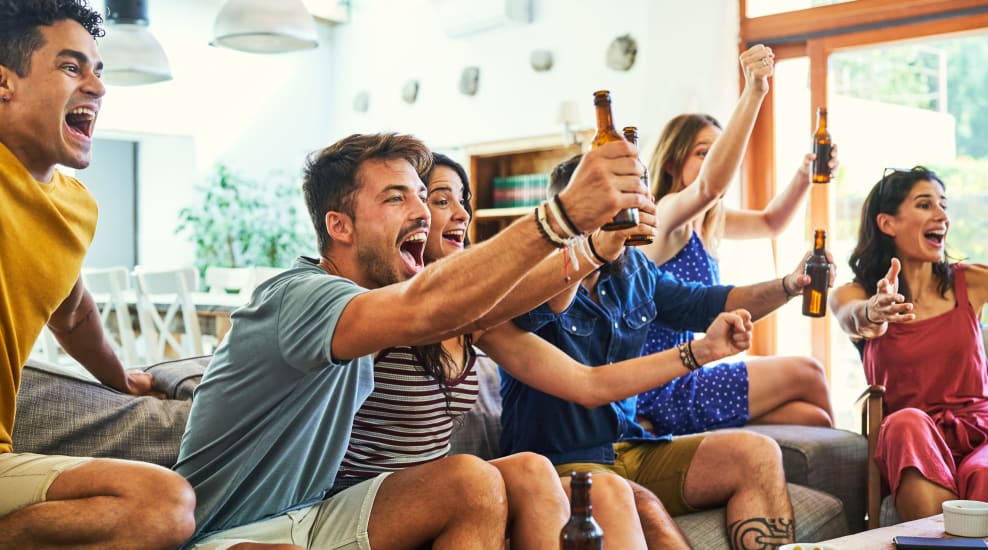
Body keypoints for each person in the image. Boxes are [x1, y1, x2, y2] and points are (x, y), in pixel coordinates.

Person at [173, 133, 652, 549]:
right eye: (396, 198)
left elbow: (487, 307)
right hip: (229, 529)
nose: (424, 212)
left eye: (423, 196)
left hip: (314, 514)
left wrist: (592, 247)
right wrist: (562, 218)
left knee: (478, 478)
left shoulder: (377, 301)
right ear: (339, 226)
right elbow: (428, 306)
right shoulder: (305, 296)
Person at [498, 153, 838, 550]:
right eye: (616, 196)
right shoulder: (531, 277)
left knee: (756, 452)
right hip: (561, 462)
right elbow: (575, 357)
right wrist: (591, 247)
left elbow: (711, 303)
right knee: (642, 505)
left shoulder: (635, 271)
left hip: (633, 445)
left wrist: (788, 284)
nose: (635, 205)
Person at [0, 2, 196, 548]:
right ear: (3, 84)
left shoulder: (74, 206)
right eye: (71, 67)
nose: (97, 86)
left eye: (97, 70)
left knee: (162, 505)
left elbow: (74, 310)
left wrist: (120, 377)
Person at [636, 44, 835, 436]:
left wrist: (804, 174)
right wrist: (755, 90)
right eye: (703, 153)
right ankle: (870, 486)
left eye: (719, 153)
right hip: (659, 384)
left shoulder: (710, 221)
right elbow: (710, 185)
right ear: (674, 162)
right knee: (810, 371)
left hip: (687, 371)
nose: (715, 162)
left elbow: (771, 222)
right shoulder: (665, 214)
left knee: (814, 420)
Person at [829, 166, 988, 521]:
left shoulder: (972, 282)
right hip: (915, 441)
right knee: (907, 422)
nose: (941, 215)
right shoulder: (854, 293)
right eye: (925, 205)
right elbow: (854, 317)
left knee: (986, 473)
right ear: (887, 223)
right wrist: (874, 311)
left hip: (984, 435)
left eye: (944, 205)